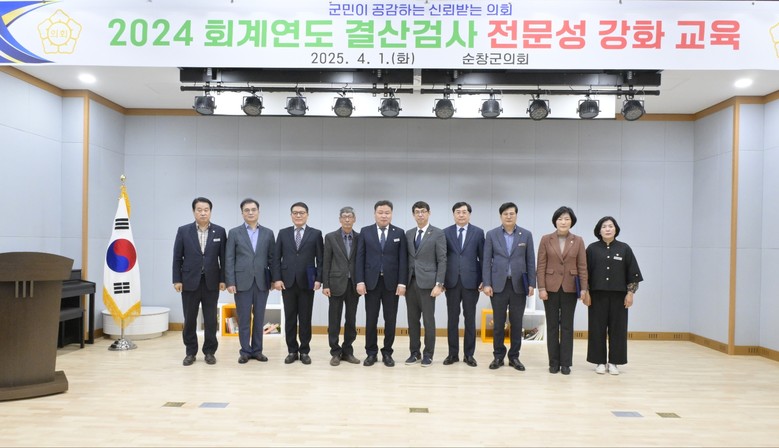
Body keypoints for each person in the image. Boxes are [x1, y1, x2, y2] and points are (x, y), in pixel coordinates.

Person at [584, 216, 643, 375]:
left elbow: (633, 274)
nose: (608, 229)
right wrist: (586, 292)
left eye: (610, 226)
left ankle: (614, 362)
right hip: (597, 296)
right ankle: (599, 362)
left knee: (618, 329)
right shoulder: (592, 249)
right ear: (599, 230)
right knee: (597, 329)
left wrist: (630, 293)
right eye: (604, 226)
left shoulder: (624, 248)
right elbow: (584, 273)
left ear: (615, 229)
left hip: (619, 297)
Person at [172, 197, 227, 366]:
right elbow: (177, 257)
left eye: (206, 210)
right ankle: (190, 352)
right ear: (193, 211)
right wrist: (177, 279)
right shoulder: (183, 231)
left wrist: (223, 279)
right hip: (189, 281)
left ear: (210, 211)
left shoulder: (219, 231)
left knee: (211, 319)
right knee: (189, 319)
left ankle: (209, 352)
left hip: (212, 282)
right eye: (199, 210)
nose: (203, 213)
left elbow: (224, 259)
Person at [482, 202, 536, 371]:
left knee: (516, 323)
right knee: (498, 323)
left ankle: (514, 357)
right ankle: (498, 356)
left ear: (516, 215)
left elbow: (530, 260)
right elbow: (486, 261)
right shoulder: (492, 234)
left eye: (512, 213)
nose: (509, 216)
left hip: (518, 285)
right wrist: (486, 283)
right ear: (501, 216)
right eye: (505, 214)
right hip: (498, 285)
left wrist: (532, 283)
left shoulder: (526, 235)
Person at [536, 206, 588, 375]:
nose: (563, 222)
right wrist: (541, 287)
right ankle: (553, 363)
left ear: (571, 221)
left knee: (567, 326)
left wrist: (584, 289)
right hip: (550, 288)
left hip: (570, 288)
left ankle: (566, 363)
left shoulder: (578, 240)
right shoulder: (546, 239)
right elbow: (541, 265)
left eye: (566, 219)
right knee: (552, 326)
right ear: (555, 221)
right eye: (560, 219)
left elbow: (582, 266)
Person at [355, 200, 407, 367]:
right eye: (380, 212)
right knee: (371, 319)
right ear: (374, 214)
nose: (384, 215)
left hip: (392, 284)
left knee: (390, 319)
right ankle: (371, 353)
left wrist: (402, 283)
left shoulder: (399, 232)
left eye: (387, 213)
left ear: (391, 214)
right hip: (371, 283)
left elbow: (403, 260)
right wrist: (360, 281)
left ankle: (387, 353)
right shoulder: (365, 231)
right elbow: (360, 258)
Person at [225, 198, 276, 364]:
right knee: (244, 318)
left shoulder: (268, 233)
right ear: (242, 213)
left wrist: (274, 279)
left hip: (262, 282)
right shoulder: (234, 233)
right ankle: (245, 351)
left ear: (258, 212)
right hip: (241, 281)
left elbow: (272, 259)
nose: (250, 212)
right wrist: (230, 281)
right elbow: (229, 258)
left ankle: (257, 350)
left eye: (253, 209)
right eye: (247, 210)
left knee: (259, 318)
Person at [272, 202, 324, 365]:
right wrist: (277, 279)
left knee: (305, 318)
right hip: (287, 282)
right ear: (291, 215)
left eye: (302, 212)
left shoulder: (316, 234)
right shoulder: (283, 233)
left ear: (307, 215)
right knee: (290, 318)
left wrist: (319, 279)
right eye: (295, 213)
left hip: (308, 282)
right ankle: (292, 351)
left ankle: (305, 351)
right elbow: (276, 258)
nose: (298, 215)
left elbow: (320, 259)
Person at [404, 201, 447, 367]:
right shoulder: (408, 234)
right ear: (413, 215)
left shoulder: (437, 233)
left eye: (423, 211)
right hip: (410, 283)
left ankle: (428, 354)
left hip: (429, 284)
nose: (420, 214)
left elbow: (442, 259)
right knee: (412, 320)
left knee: (428, 320)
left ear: (429, 213)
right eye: (417, 212)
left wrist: (439, 283)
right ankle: (414, 352)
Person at [443, 201, 485, 367]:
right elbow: (442, 258)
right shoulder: (445, 232)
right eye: (458, 212)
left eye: (464, 212)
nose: (461, 215)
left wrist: (484, 279)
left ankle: (469, 355)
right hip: (451, 281)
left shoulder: (478, 232)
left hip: (471, 282)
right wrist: (441, 280)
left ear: (469, 214)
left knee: (470, 319)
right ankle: (452, 354)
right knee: (452, 319)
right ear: (453, 214)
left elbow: (483, 258)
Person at [322, 207, 361, 366]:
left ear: (354, 219)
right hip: (335, 284)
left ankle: (347, 351)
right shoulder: (331, 237)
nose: (347, 219)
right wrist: (325, 284)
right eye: (344, 217)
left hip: (353, 285)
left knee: (351, 320)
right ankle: (335, 352)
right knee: (334, 320)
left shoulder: (360, 237)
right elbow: (326, 262)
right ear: (340, 219)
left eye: (350, 216)